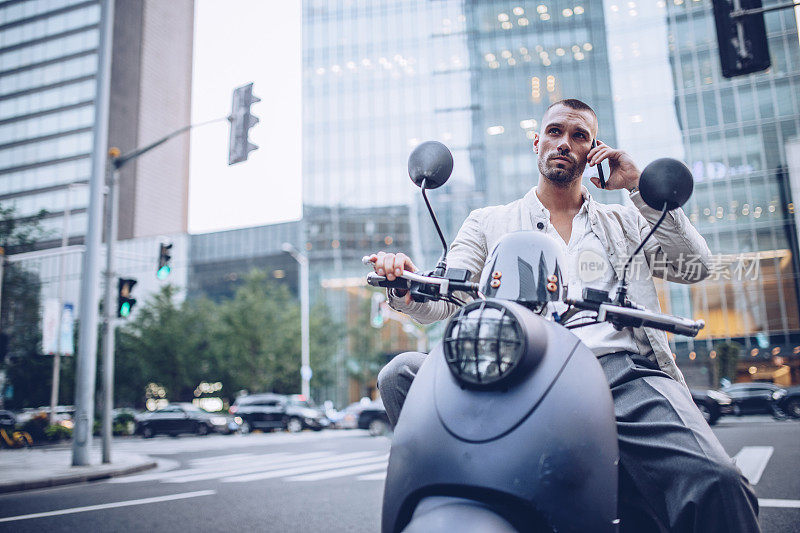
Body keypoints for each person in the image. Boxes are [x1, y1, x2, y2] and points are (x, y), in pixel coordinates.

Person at [368, 99, 760, 532]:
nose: (564, 143)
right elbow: (444, 298)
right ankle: (451, 489)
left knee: (718, 480)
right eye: (554, 132)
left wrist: (637, 189)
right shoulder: (488, 221)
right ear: (537, 142)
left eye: (579, 136)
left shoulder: (626, 221)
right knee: (400, 373)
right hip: (517, 368)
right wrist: (404, 284)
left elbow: (696, 265)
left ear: (594, 150)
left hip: (621, 372)